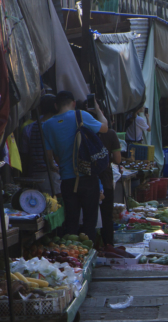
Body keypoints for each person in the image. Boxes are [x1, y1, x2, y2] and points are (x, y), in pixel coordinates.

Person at [42, 90, 109, 239]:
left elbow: (49, 156)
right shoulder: (81, 115)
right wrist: (98, 111)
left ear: (55, 105)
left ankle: (73, 257)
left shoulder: (46, 125)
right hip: (87, 177)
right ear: (73, 103)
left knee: (71, 222)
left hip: (67, 180)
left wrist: (56, 167)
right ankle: (89, 252)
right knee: (89, 222)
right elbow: (105, 128)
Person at [19, 94, 59, 193]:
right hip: (53, 174)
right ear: (55, 106)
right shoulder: (54, 126)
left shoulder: (29, 128)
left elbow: (24, 154)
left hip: (35, 174)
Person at [96, 105, 122, 248]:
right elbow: (118, 159)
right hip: (105, 180)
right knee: (106, 217)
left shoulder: (82, 131)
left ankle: (92, 248)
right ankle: (107, 246)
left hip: (85, 180)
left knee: (88, 217)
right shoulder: (110, 134)